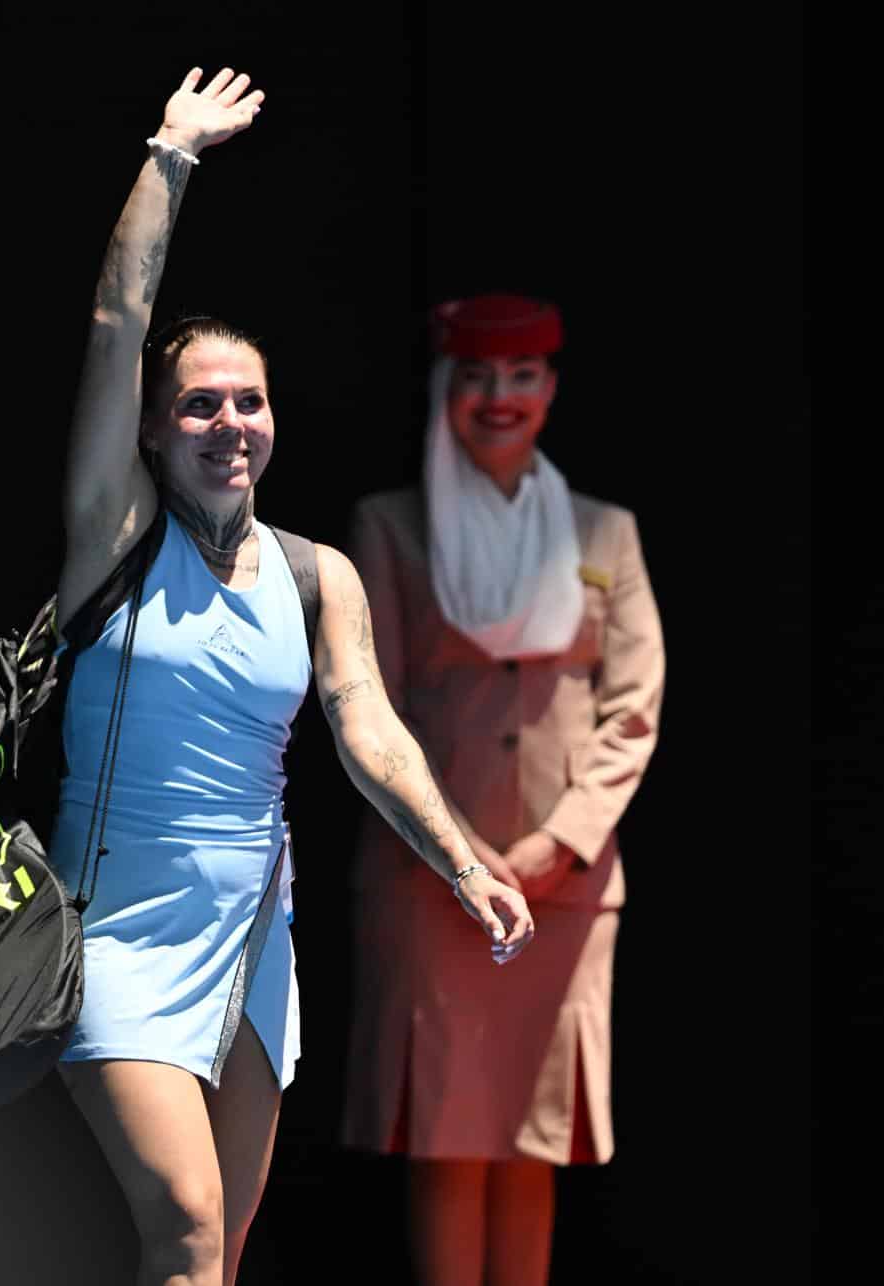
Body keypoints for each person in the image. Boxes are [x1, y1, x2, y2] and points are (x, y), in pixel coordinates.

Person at [49, 69, 538, 1286]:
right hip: (109, 932)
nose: (230, 422)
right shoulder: (113, 533)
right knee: (188, 1224)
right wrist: (171, 153)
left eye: (250, 402)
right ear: (154, 434)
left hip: (251, 933)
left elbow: (368, 731)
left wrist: (465, 860)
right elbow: (118, 323)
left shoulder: (318, 576)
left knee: (220, 1251)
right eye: (199, 404)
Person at [337, 294, 666, 1286]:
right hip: (429, 875)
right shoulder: (390, 527)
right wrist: (461, 850)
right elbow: (370, 701)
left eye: (523, 377)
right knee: (449, 1133)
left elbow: (635, 705)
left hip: (566, 882)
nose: (500, 397)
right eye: (479, 376)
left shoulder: (605, 533)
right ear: (448, 387)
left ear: (552, 390)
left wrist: (559, 841)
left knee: (534, 1137)